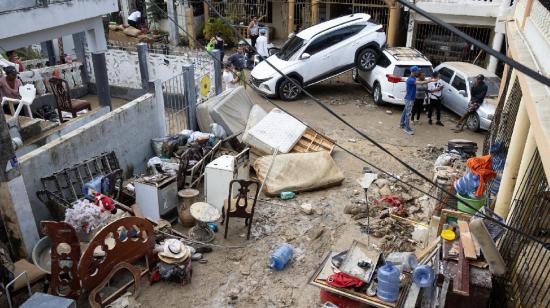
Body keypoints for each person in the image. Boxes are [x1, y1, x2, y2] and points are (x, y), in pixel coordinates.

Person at [399, 66, 430, 135]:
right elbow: (420, 83)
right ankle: (406, 128)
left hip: (410, 98)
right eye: (417, 71)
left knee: (405, 112)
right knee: (408, 114)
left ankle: (401, 124)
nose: (418, 72)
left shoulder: (413, 78)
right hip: (409, 99)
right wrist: (430, 81)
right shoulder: (411, 79)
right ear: (414, 72)